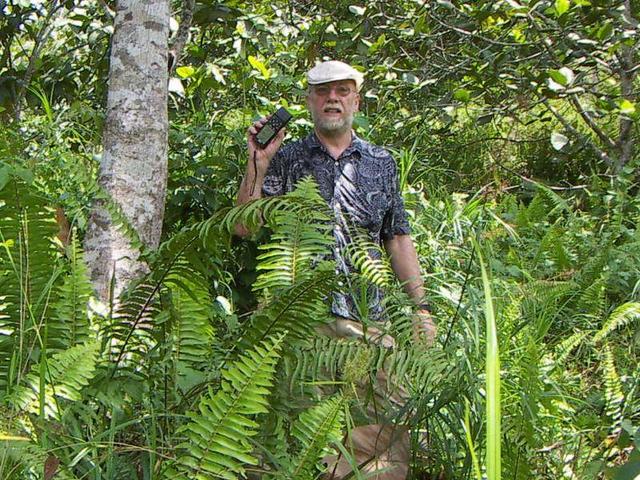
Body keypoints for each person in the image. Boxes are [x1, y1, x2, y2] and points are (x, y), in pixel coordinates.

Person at [235, 60, 435, 478]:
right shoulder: (286, 158)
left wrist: (421, 308)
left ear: (355, 101)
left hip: (372, 318)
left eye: (342, 91)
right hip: (303, 322)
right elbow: (243, 226)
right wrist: (258, 161)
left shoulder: (382, 161)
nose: (333, 99)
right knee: (303, 440)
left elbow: (397, 237)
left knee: (382, 436)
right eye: (323, 91)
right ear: (309, 100)